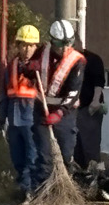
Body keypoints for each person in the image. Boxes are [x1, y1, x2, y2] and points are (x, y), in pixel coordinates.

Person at [32, 19, 86, 187]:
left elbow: (74, 92)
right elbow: (30, 71)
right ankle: (42, 190)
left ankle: (66, 188)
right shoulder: (42, 51)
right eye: (59, 44)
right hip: (42, 109)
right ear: (52, 40)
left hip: (65, 113)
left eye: (67, 44)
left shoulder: (77, 61)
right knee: (44, 154)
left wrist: (60, 112)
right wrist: (28, 69)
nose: (63, 48)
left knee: (65, 152)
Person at [0, 24, 41, 203]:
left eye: (31, 45)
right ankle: (22, 190)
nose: (27, 49)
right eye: (23, 45)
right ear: (17, 46)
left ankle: (29, 192)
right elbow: (4, 93)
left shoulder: (39, 67)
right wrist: (1, 119)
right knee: (17, 158)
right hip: (14, 118)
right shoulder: (11, 67)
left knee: (32, 157)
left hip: (32, 118)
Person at [75, 46, 106, 168]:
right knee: (77, 150)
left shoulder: (92, 59)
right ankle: (80, 179)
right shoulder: (67, 60)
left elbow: (99, 82)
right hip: (72, 110)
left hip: (88, 109)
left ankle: (98, 177)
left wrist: (95, 101)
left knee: (91, 149)